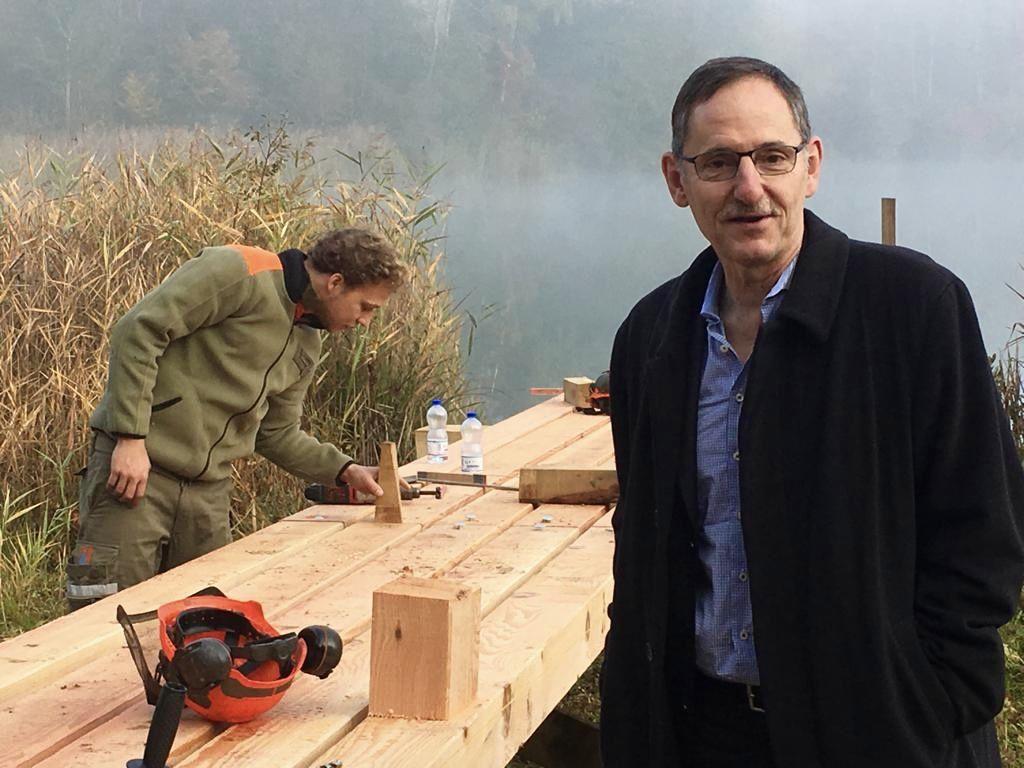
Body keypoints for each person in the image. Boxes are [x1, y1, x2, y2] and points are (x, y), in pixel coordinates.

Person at [600, 56, 1024, 768]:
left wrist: (930, 699)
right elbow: (642, 553)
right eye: (718, 162)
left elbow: (986, 530)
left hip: (880, 736)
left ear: (812, 164)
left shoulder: (913, 309)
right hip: (703, 733)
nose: (749, 187)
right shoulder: (652, 338)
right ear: (677, 180)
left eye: (771, 156)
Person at [67, 228, 406, 610]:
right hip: (137, 476)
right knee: (104, 616)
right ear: (336, 282)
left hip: (208, 495)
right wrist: (129, 439)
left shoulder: (308, 342)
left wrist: (344, 470)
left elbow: (276, 433)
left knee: (207, 631)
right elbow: (139, 329)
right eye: (366, 307)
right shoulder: (241, 271)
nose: (365, 322)